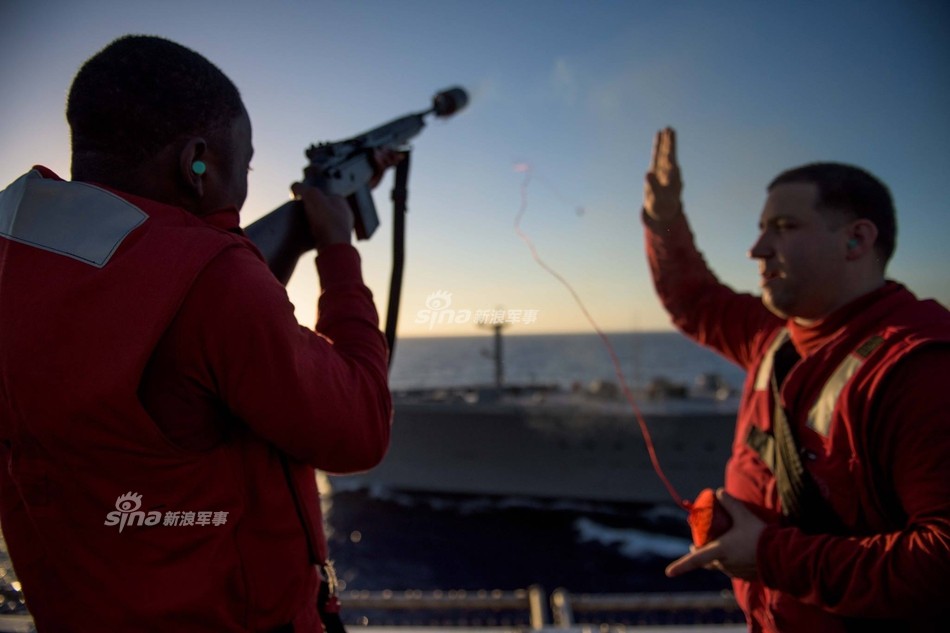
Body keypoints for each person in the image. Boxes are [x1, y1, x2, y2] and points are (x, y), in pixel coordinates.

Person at [0, 35, 394, 632]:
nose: (243, 187)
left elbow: (173, 324)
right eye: (246, 165)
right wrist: (336, 247)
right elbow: (361, 429)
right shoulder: (214, 282)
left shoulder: (19, 251)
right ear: (196, 163)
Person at [642, 127, 950, 631]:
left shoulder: (920, 368)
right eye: (762, 227)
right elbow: (694, 301)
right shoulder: (777, 336)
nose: (757, 249)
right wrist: (663, 220)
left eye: (783, 227)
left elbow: (941, 564)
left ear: (857, 239)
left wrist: (768, 555)